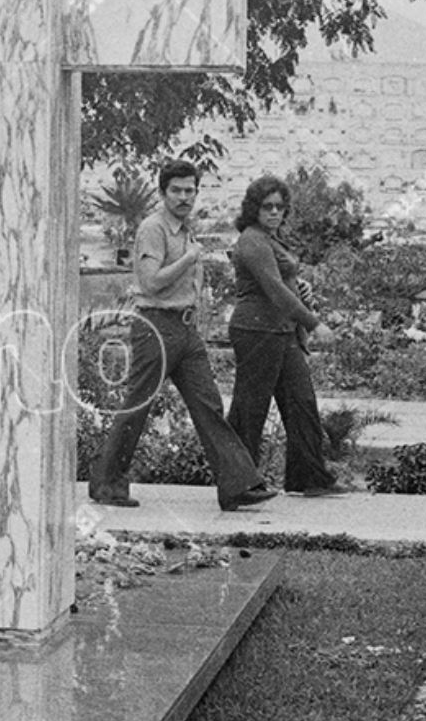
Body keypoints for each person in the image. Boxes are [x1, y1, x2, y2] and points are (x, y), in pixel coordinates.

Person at [89, 159, 277, 512]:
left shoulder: (186, 229)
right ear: (163, 193)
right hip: (155, 327)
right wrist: (190, 258)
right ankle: (106, 483)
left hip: (186, 330)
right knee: (137, 405)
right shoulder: (153, 228)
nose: (183, 197)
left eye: (190, 190)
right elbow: (150, 282)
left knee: (208, 406)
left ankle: (238, 485)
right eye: (176, 190)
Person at [226, 175, 350, 497]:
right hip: (256, 331)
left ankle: (308, 478)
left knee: (301, 403)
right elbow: (274, 289)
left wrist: (300, 286)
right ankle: (239, 482)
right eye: (267, 206)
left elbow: (284, 282)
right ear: (254, 209)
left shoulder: (271, 239)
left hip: (281, 332)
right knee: (250, 409)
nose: (275, 212)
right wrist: (313, 323)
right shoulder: (252, 239)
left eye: (280, 207)